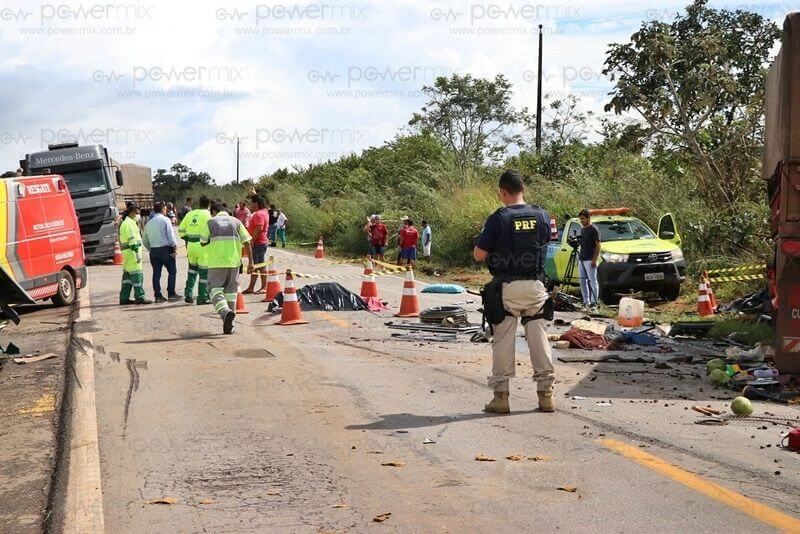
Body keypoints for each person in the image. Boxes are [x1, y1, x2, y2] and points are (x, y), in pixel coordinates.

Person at [473, 169, 554, 413]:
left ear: (502, 192)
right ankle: (546, 395)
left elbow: (479, 255)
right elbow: (547, 243)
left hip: (506, 288)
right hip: (536, 287)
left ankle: (501, 397)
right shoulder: (542, 215)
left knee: (503, 341)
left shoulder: (498, 218)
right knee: (539, 339)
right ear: (523, 189)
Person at [200, 202, 253, 334]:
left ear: (213, 211)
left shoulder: (210, 222)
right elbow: (247, 242)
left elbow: (202, 242)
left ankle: (225, 313)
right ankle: (230, 326)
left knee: (214, 291)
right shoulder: (236, 222)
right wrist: (251, 262)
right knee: (231, 293)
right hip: (234, 263)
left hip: (217, 263)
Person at [177, 195, 212, 304]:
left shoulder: (190, 214)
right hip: (203, 247)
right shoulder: (209, 216)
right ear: (209, 205)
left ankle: (188, 293)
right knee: (204, 274)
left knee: (192, 271)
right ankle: (202, 297)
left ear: (199, 203)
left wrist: (187, 238)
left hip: (191, 246)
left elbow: (181, 230)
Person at [143, 202, 180, 302]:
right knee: (172, 271)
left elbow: (145, 240)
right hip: (165, 250)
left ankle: (158, 295)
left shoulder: (149, 223)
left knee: (156, 273)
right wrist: (174, 246)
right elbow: (171, 236)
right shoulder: (165, 220)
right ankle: (171, 294)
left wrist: (151, 249)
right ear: (163, 209)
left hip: (154, 251)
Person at [118, 203, 152, 305]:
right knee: (137, 275)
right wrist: (136, 252)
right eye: (138, 212)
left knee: (127, 277)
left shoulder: (126, 222)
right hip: (132, 252)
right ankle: (140, 297)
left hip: (127, 253)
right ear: (132, 213)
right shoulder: (129, 223)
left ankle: (124, 297)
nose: (139, 215)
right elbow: (131, 238)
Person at [244, 196, 269, 294]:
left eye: (252, 203)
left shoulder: (259, 214)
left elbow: (259, 228)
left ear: (256, 203)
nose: (251, 205)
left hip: (258, 243)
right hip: (260, 243)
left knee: (260, 265)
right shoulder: (264, 212)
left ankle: (263, 287)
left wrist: (252, 240)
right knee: (256, 265)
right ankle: (251, 287)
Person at [577, 209, 601, 310]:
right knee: (582, 281)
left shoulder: (594, 229)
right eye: (580, 219)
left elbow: (598, 245)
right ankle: (586, 301)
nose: (581, 220)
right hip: (582, 258)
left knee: (592, 281)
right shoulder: (583, 229)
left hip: (590, 258)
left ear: (588, 218)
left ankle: (594, 302)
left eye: (583, 218)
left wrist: (594, 260)